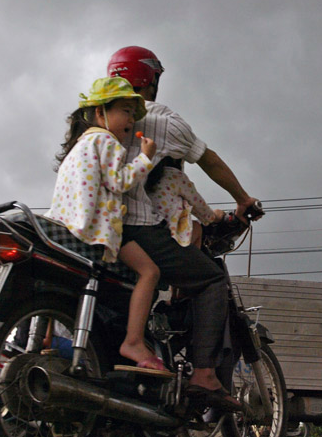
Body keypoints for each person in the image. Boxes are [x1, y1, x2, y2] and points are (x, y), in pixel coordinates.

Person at [108, 46, 261, 411]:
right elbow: (208, 161)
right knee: (210, 280)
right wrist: (242, 199)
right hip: (134, 227)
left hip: (92, 225)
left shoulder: (95, 117)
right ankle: (204, 374)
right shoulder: (162, 122)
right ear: (151, 80)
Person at [45, 76, 165, 370]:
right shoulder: (106, 140)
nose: (130, 120)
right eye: (125, 110)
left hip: (68, 229)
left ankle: (48, 339)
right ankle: (133, 341)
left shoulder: (80, 146)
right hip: (95, 231)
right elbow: (120, 181)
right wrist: (146, 158)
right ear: (100, 113)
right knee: (150, 271)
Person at [145, 156, 224, 248]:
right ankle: (191, 260)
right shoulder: (175, 175)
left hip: (145, 231)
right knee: (197, 227)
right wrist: (216, 216)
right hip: (167, 233)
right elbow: (200, 208)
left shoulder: (146, 175)